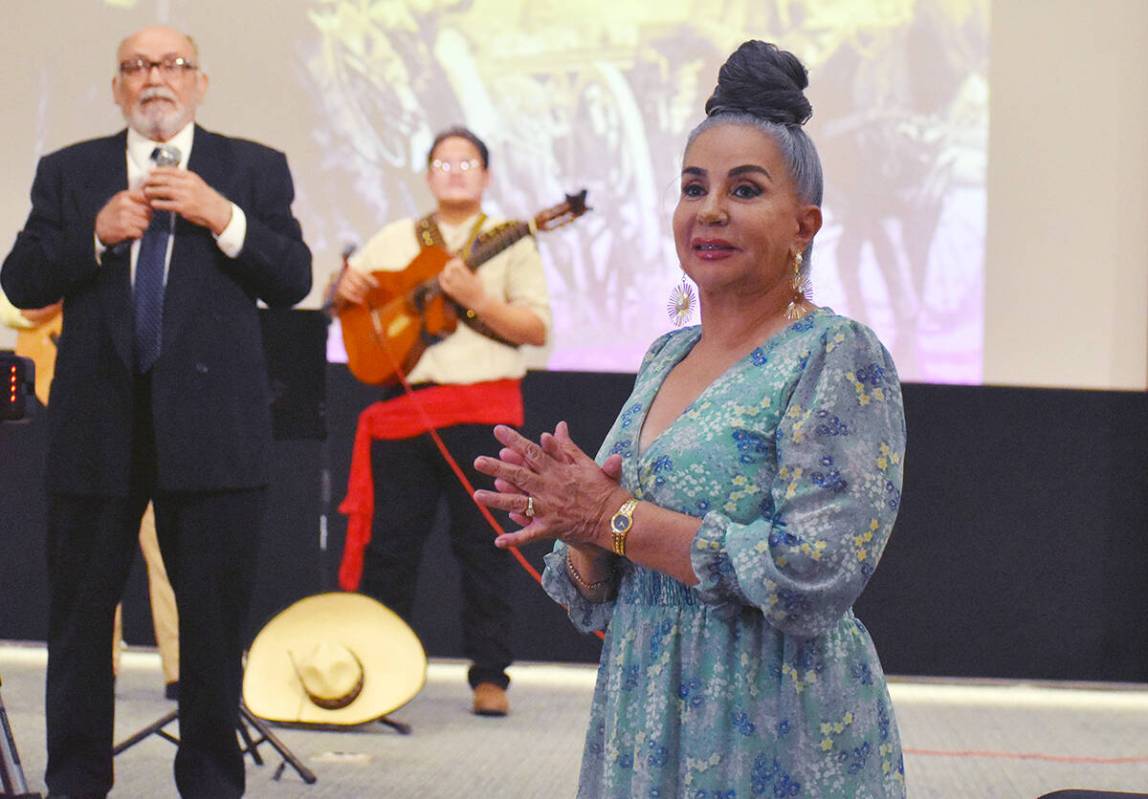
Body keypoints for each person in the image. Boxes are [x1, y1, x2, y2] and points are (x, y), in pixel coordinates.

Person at [473, 40, 907, 797]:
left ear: (804, 223)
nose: (709, 210)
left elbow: (815, 573)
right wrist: (579, 528)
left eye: (744, 190)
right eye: (692, 187)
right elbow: (595, 581)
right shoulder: (664, 356)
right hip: (645, 707)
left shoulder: (837, 354)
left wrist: (612, 517)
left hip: (773, 721)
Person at [1, 25, 311, 799]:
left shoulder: (253, 168)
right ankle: (74, 780)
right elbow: (21, 280)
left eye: (172, 65)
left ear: (200, 82)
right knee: (77, 631)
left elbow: (293, 277)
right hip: (94, 433)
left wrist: (221, 215)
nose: (154, 79)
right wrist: (93, 237)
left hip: (214, 438)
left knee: (210, 630)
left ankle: (209, 781)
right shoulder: (69, 172)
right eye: (136, 66)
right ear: (116, 88)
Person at [334, 126, 551, 717]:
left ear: (485, 174)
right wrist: (343, 283)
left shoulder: (511, 240)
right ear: (428, 175)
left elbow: (536, 330)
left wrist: (478, 298)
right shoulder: (396, 237)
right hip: (406, 414)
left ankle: (490, 677)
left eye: (468, 161)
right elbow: (351, 302)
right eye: (443, 162)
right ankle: (377, 671)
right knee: (391, 550)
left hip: (483, 411)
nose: (455, 171)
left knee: (485, 547)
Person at [1, 294, 181, 700]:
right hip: (90, 401)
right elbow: (14, 306)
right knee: (96, 549)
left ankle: (179, 669)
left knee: (166, 547)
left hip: (151, 399)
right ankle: (99, 663)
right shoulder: (67, 242)